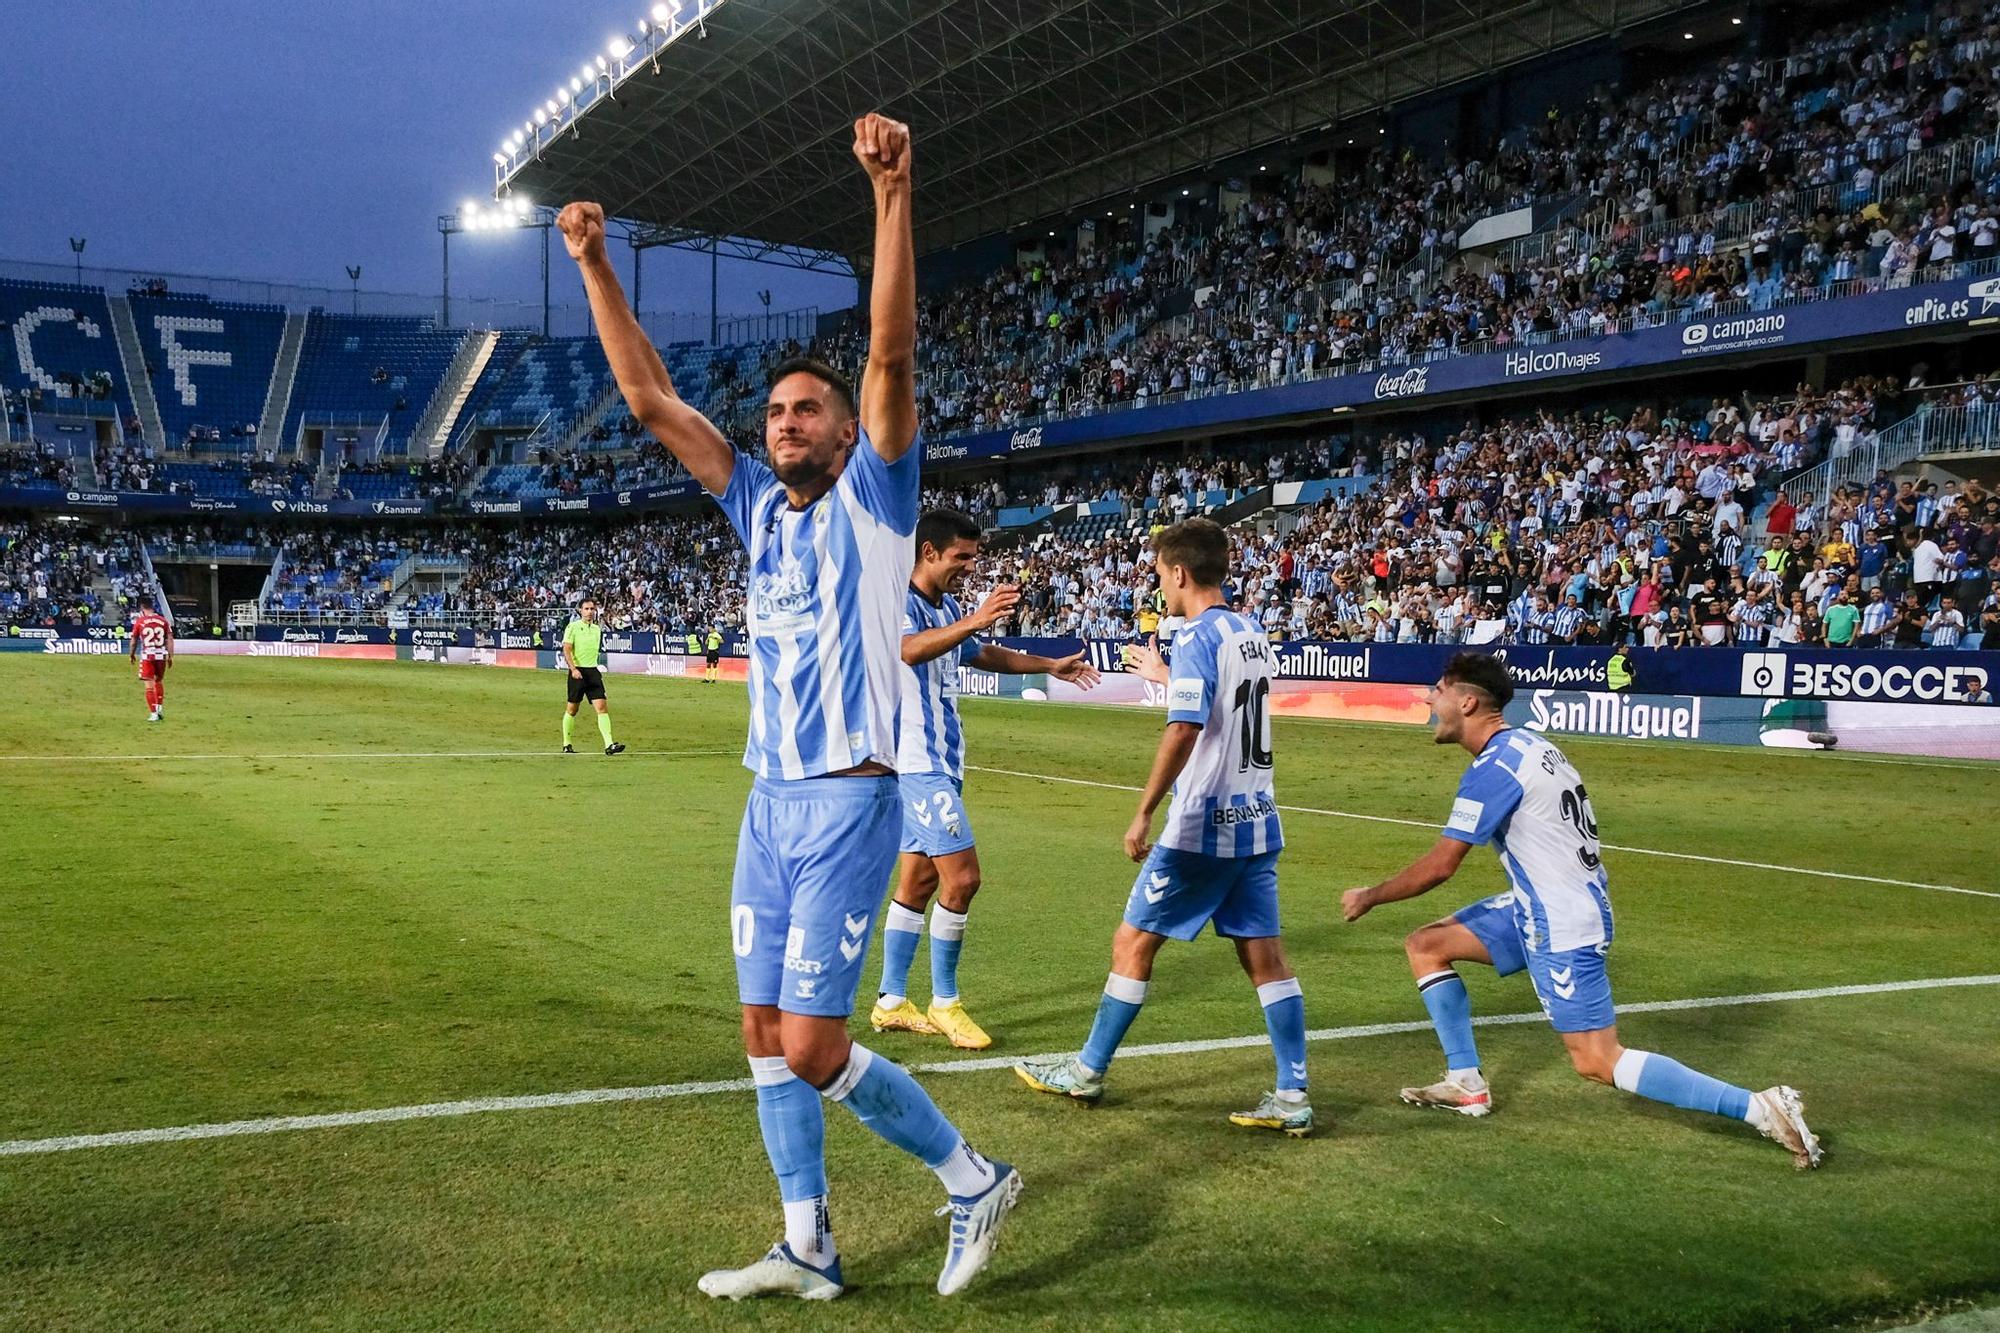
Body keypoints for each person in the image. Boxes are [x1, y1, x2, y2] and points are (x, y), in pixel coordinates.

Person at [560, 113, 1020, 1303]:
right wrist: (594, 263)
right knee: (763, 1037)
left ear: (842, 429)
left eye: (804, 411)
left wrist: (890, 194)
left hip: (851, 806)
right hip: (767, 807)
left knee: (816, 1043)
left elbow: (891, 356)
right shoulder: (753, 506)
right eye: (773, 414)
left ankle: (973, 1177)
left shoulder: (879, 494)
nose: (785, 424)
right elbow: (649, 395)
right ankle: (807, 1242)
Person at [1338, 653, 1822, 1169]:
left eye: (1437, 689)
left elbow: (1440, 866)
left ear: (1468, 701)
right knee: (1427, 945)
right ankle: (1466, 1083)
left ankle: (1761, 1107)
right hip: (1546, 902)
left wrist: (1371, 895)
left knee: (1595, 1060)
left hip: (1561, 920)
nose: (1428, 699)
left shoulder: (1496, 768)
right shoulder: (1533, 746)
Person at [1015, 518, 1316, 1138]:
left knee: (1133, 943)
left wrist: (1145, 809)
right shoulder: (1249, 633)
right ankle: (1293, 1094)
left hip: (1204, 824)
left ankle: (1087, 1071)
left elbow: (1183, 728)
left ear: (1178, 572)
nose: (1160, 585)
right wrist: (1162, 674)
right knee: (1266, 957)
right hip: (1258, 819)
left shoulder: (1198, 636)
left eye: (1159, 574)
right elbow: (1221, 703)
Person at [872, 508, 1102, 1050]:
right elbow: (905, 651)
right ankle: (946, 1002)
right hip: (916, 764)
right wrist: (973, 620)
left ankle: (889, 1000)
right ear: (929, 552)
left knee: (920, 882)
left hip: (942, 763)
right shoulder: (894, 602)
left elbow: (978, 652)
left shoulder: (946, 605)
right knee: (964, 879)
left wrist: (1046, 666)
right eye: (962, 557)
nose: (970, 568)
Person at [560, 597, 624, 756]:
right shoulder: (572, 627)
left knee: (602, 708)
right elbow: (566, 649)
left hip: (593, 672)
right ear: (580, 611)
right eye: (586, 609)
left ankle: (609, 744)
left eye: (592, 609)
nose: (589, 612)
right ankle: (567, 743)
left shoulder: (597, 629)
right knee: (572, 709)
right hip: (578, 672)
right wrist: (573, 669)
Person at [129, 602, 173, 722]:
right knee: (158, 681)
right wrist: (170, 656)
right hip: (161, 656)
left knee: (149, 685)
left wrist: (131, 654)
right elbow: (169, 638)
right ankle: (159, 708)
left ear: (142, 609)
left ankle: (153, 714)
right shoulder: (163, 620)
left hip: (148, 656)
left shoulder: (140, 621)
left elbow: (134, 640)